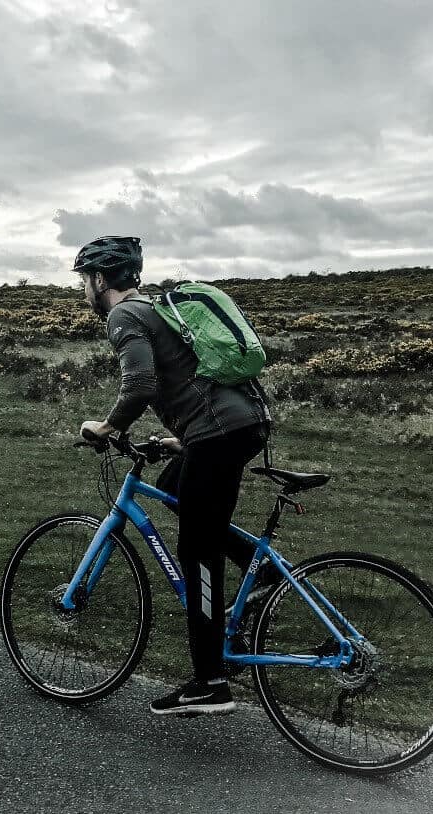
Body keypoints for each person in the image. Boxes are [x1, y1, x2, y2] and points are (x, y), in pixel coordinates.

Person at [73, 235, 275, 716]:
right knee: (171, 487)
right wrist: (183, 440)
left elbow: (140, 384)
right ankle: (259, 567)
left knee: (196, 549)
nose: (83, 290)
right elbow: (191, 376)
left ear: (101, 280)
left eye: (84, 280)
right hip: (236, 424)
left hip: (221, 432)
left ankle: (210, 682)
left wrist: (107, 426)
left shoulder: (124, 316)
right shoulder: (158, 308)